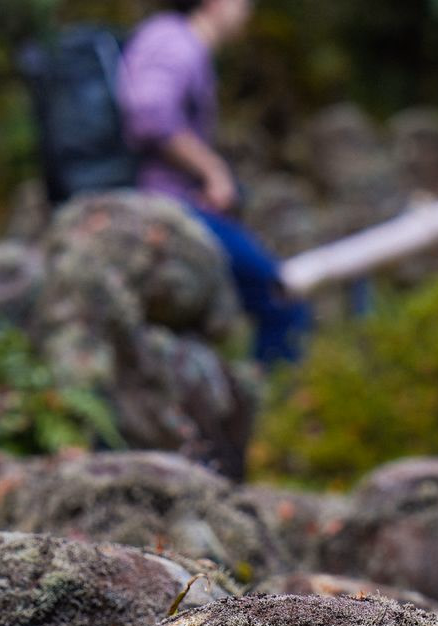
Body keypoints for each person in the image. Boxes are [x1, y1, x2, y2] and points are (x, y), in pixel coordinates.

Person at [118, 0, 311, 365]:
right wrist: (213, 170)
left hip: (168, 204)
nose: (248, 11)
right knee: (281, 297)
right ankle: (273, 410)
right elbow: (147, 113)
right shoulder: (176, 41)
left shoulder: (176, 41)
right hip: (167, 208)